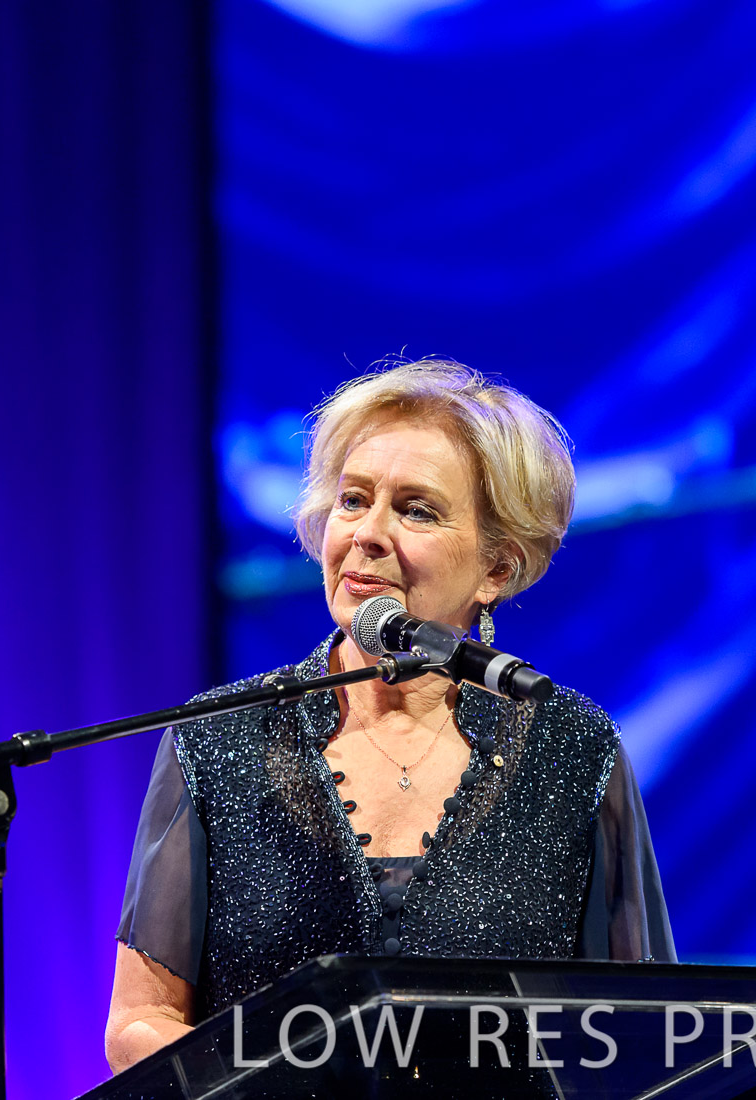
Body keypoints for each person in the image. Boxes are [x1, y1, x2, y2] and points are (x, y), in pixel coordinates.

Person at [104, 360, 675, 1071]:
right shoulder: (219, 738)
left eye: (416, 509)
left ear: (497, 567)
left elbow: (649, 1032)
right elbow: (140, 1023)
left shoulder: (572, 749)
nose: (368, 533)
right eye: (352, 499)